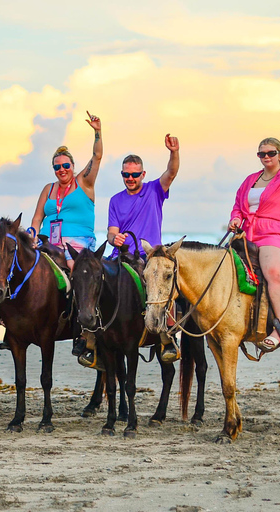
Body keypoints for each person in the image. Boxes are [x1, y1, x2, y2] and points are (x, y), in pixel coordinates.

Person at [228, 122, 280, 352]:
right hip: (246, 234)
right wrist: (235, 218)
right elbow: (238, 205)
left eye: (271, 153)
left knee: (273, 271)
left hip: (275, 234)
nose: (266, 157)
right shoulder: (250, 179)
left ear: (279, 155)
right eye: (261, 154)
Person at [106, 134, 181, 362]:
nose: (130, 178)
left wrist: (174, 152)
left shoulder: (154, 190)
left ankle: (167, 337)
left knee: (159, 283)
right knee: (92, 278)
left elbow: (171, 172)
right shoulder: (115, 200)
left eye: (134, 174)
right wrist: (114, 239)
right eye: (126, 175)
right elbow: (111, 232)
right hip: (120, 255)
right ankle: (89, 336)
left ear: (143, 174)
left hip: (147, 255)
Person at [29, 111, 102, 270]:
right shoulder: (49, 188)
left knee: (71, 265)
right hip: (47, 241)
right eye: (57, 167)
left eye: (66, 165)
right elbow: (37, 218)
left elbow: (97, 156)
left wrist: (97, 132)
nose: (62, 169)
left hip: (76, 241)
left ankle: (73, 294)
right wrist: (33, 236)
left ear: (73, 166)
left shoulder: (84, 182)